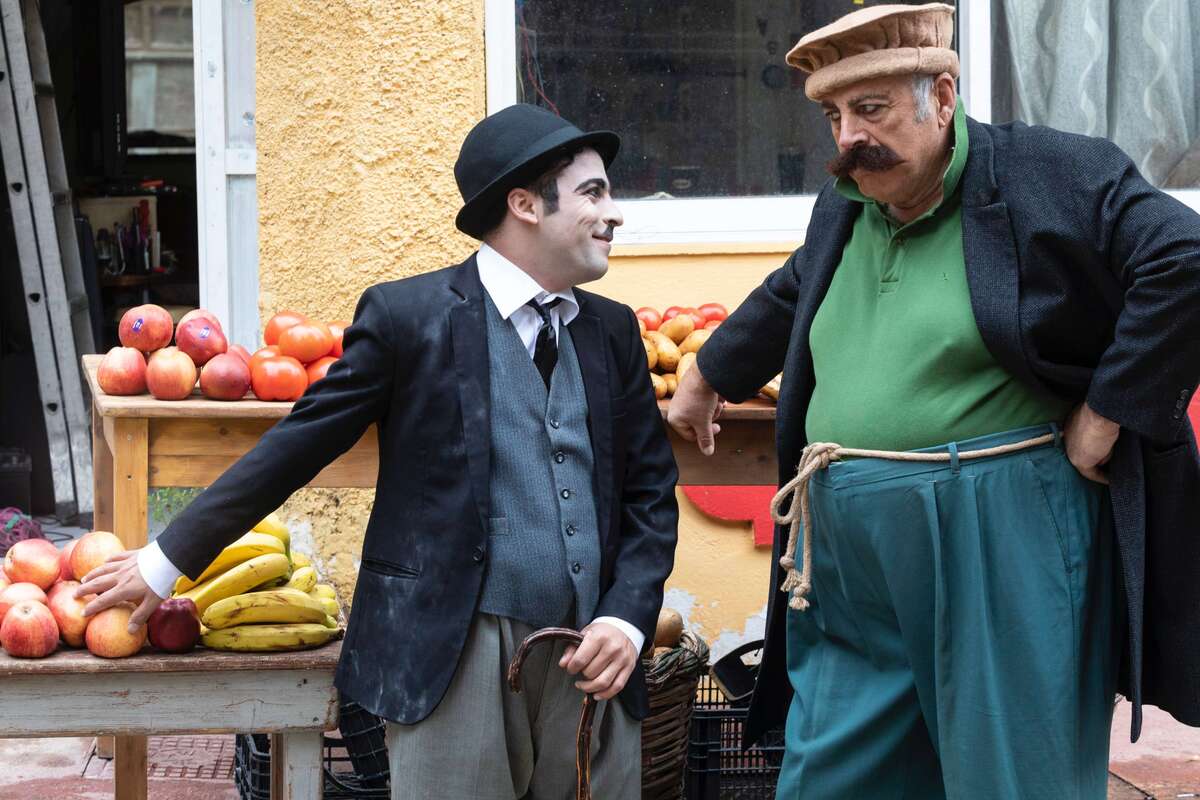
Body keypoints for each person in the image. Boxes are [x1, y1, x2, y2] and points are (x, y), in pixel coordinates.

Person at [668, 3, 1200, 798]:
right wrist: (710, 372)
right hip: (848, 555)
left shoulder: (1048, 172)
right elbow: (796, 285)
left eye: (871, 108)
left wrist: (1109, 409)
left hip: (998, 532)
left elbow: (1184, 259)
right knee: (833, 774)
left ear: (942, 97)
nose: (850, 136)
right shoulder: (851, 199)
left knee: (1010, 775)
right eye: (834, 116)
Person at [78, 103, 679, 800]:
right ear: (524, 205)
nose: (614, 213)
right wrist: (165, 560)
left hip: (594, 655)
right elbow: (300, 444)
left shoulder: (611, 330)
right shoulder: (408, 317)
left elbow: (649, 493)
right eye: (593, 193)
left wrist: (627, 617)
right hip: (453, 651)